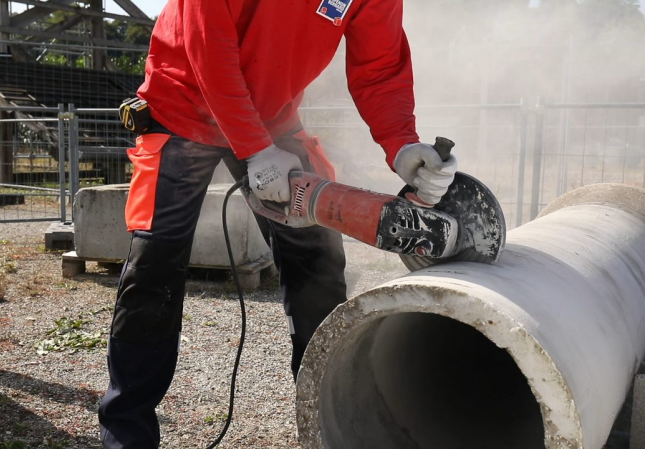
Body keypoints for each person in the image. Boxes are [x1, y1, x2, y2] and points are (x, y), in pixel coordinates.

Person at [98, 0, 458, 447]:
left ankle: (332, 420)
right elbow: (209, 45)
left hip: (272, 121)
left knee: (317, 257)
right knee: (156, 262)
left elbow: (379, 68)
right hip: (182, 111)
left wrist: (401, 143)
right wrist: (253, 148)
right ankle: (126, 434)